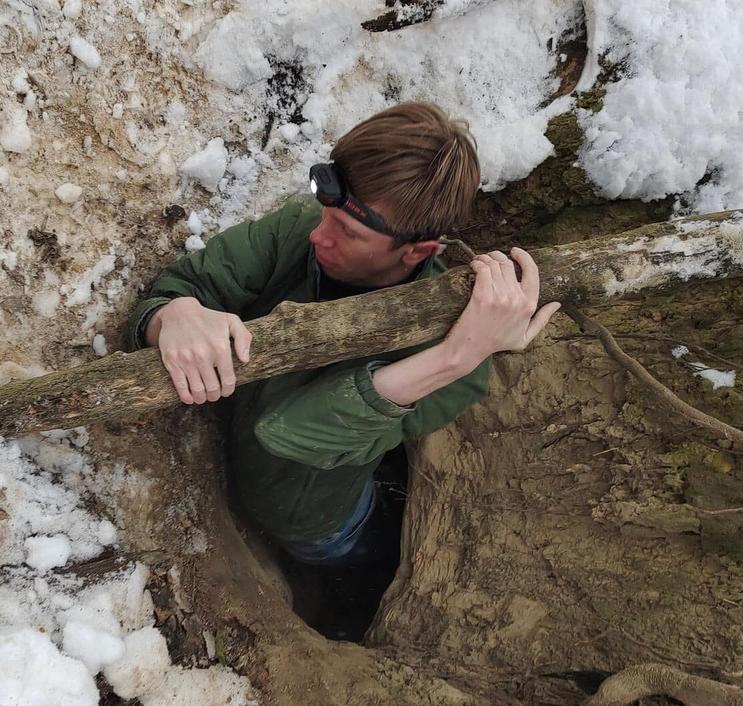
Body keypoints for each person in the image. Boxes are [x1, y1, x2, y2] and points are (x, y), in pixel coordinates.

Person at [125, 102, 560, 567]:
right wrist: (175, 313)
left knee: (356, 559)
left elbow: (287, 431)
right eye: (325, 211)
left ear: (418, 252)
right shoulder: (297, 230)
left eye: (348, 233)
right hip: (238, 458)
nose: (319, 235)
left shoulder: (460, 364)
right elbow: (181, 288)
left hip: (318, 520)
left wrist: (452, 357)